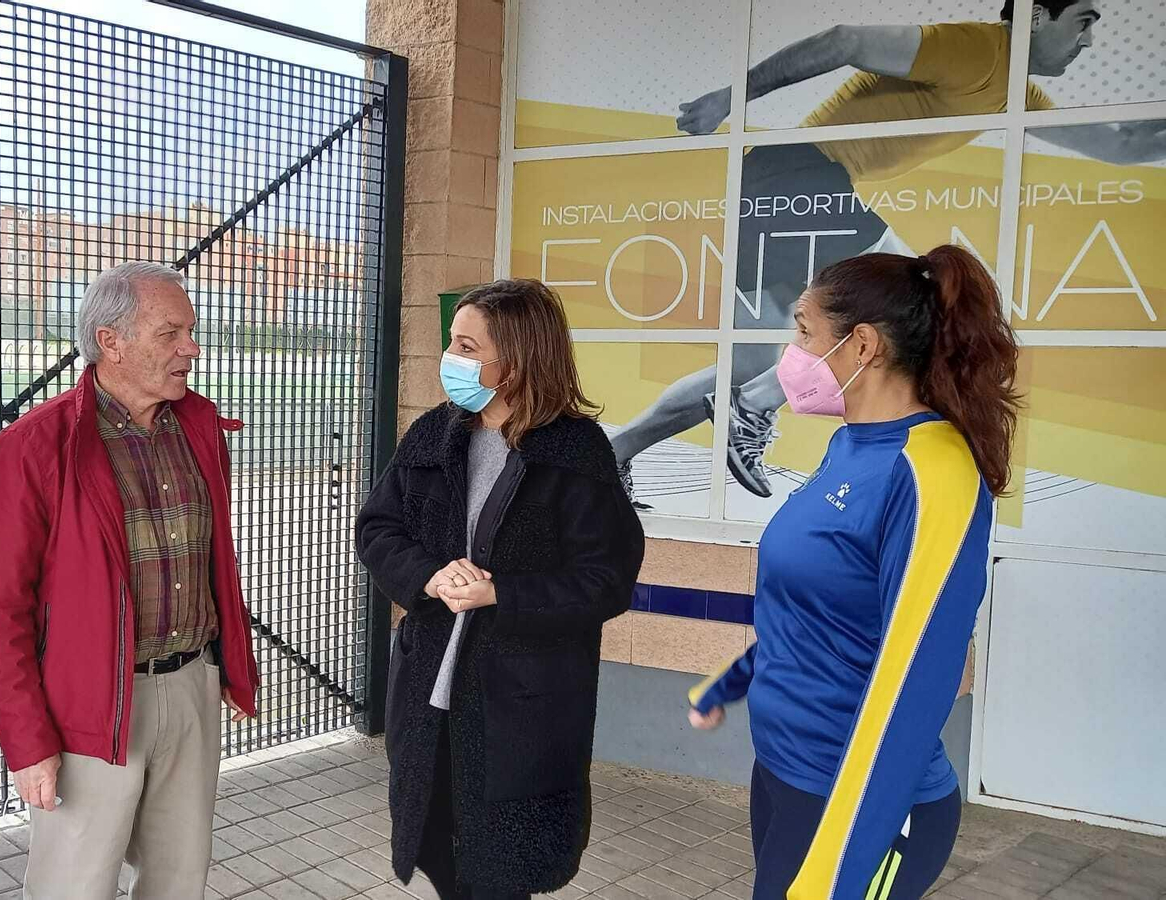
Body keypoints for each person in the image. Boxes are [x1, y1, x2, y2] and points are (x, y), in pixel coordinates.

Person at [611, 0, 1165, 502]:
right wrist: (729, 98)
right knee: (917, 301)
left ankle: (615, 451)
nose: (1089, 42)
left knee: (752, 362)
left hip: (773, 185)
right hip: (798, 177)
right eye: (1084, 23)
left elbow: (1122, 144)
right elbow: (845, 39)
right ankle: (750, 407)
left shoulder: (1017, 93)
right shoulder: (977, 50)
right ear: (1037, 17)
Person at [687, 245, 1020, 900]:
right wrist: (729, 682)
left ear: (862, 345)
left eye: (805, 332)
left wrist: (835, 875)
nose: (793, 353)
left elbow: (916, 685)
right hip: (787, 774)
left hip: (865, 804)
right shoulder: (851, 447)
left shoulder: (932, 471)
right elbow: (822, 608)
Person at [0, 262, 259, 900]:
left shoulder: (200, 428)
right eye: (170, 333)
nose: (192, 347)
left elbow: (218, 564)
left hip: (191, 687)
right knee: (73, 885)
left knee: (180, 880)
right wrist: (27, 742)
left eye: (191, 330)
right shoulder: (36, 445)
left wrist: (231, 668)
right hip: (92, 706)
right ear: (111, 341)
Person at [356, 279, 645, 899]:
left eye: (466, 346)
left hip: (521, 707)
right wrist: (427, 575)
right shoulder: (433, 434)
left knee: (501, 872)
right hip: (430, 696)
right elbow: (379, 528)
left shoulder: (577, 451)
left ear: (513, 364)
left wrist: (502, 594)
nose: (451, 359)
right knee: (440, 856)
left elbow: (606, 579)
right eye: (452, 343)